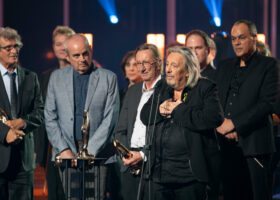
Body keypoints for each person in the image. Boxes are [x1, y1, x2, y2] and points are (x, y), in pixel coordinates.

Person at [140, 46, 224, 200]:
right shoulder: (162, 87)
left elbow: (214, 118)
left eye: (174, 65)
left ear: (187, 71)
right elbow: (145, 116)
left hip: (190, 177)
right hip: (159, 175)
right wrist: (159, 110)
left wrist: (178, 110)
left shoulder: (204, 88)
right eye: (167, 65)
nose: (168, 70)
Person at [44, 34, 119, 199]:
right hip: (66, 154)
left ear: (91, 51)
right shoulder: (56, 78)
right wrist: (63, 149)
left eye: (85, 53)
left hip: (98, 155)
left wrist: (89, 152)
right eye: (76, 55)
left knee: (94, 197)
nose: (82, 59)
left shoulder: (108, 78)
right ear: (67, 56)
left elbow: (110, 119)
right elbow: (50, 116)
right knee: (72, 197)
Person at [215, 20, 280, 200]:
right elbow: (216, 100)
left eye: (241, 38)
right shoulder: (225, 66)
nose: (236, 42)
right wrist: (222, 125)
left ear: (253, 38)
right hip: (225, 146)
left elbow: (267, 103)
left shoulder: (269, 65)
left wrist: (234, 125)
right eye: (234, 38)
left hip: (254, 145)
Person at [0, 27, 44, 199]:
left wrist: (22, 122)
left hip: (23, 163)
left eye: (16, 46)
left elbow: (40, 112)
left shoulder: (30, 77)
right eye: (8, 48)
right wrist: (5, 133)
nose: (14, 51)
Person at [115, 43, 162, 200]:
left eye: (146, 63)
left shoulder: (167, 91)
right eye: (138, 63)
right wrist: (127, 154)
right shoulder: (133, 91)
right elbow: (121, 130)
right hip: (129, 164)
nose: (142, 68)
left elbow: (167, 135)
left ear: (158, 63)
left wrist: (143, 155)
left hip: (155, 164)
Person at [34, 25, 75, 200]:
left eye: (66, 43)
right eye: (58, 44)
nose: (61, 47)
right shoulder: (45, 77)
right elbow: (41, 113)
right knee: (54, 194)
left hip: (74, 148)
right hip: (51, 148)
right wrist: (38, 150)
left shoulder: (81, 74)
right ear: (53, 47)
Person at [185, 29, 221, 200]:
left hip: (211, 152)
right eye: (189, 48)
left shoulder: (219, 77)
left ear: (208, 50)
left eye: (197, 48)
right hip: (184, 155)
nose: (193, 53)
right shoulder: (179, 80)